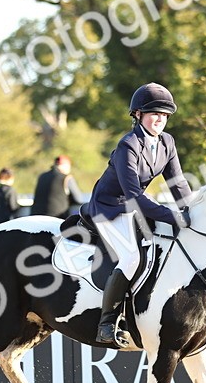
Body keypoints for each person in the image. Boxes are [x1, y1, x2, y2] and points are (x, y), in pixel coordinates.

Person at [81, 82, 192, 346]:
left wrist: (191, 210)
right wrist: (173, 216)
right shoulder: (128, 145)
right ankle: (107, 323)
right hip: (110, 207)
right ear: (138, 114)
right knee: (132, 257)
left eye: (164, 115)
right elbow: (133, 196)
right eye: (155, 114)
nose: (160, 119)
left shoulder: (167, 142)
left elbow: (177, 183)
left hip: (136, 204)